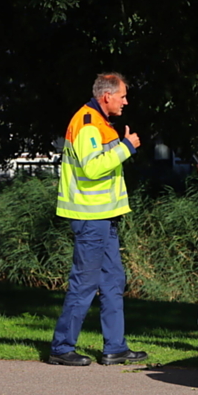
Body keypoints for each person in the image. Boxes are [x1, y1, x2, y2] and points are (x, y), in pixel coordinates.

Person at [49, 73, 148, 366]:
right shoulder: (88, 123)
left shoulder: (98, 123)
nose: (125, 101)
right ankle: (61, 347)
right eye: (122, 96)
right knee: (85, 283)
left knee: (113, 280)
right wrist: (126, 147)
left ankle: (115, 347)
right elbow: (93, 168)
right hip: (91, 217)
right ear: (107, 96)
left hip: (102, 217)